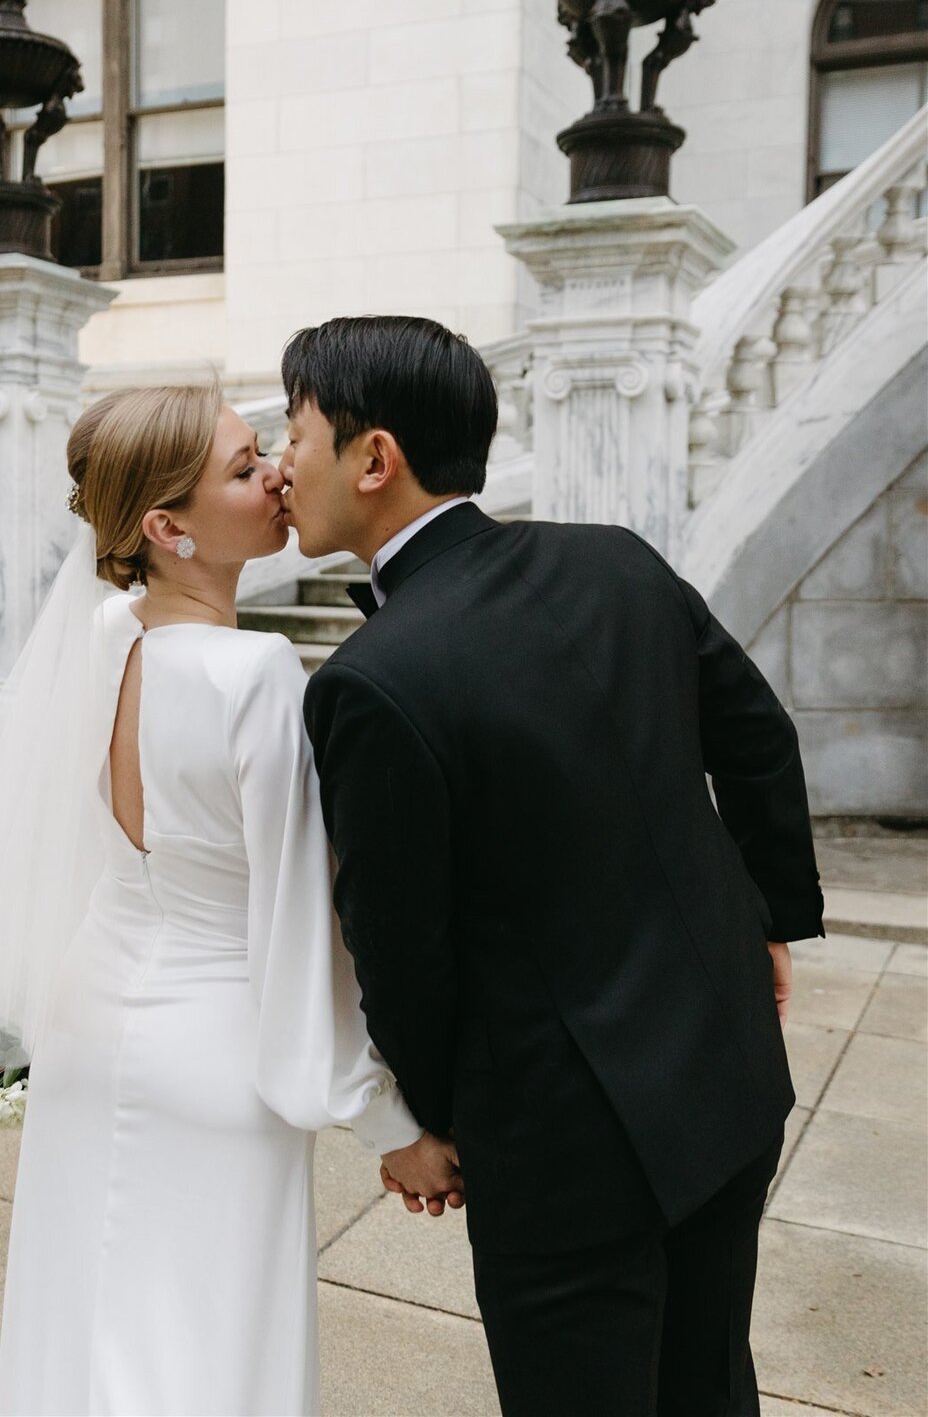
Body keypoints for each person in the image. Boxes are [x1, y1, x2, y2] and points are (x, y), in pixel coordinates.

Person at [0, 383, 434, 1417]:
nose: (278, 478)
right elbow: (300, 934)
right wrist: (389, 1120)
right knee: (205, 1349)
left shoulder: (104, 638)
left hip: (93, 1027)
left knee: (89, 1322)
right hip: (214, 1057)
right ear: (168, 527)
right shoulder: (254, 676)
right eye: (246, 469)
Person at [279, 314, 825, 1417]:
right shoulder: (616, 560)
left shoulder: (371, 680)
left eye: (294, 434)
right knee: (709, 1385)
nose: (281, 464)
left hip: (563, 1144)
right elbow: (759, 739)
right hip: (726, 1073)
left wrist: (434, 1120)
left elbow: (402, 948)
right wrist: (764, 917)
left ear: (373, 458)